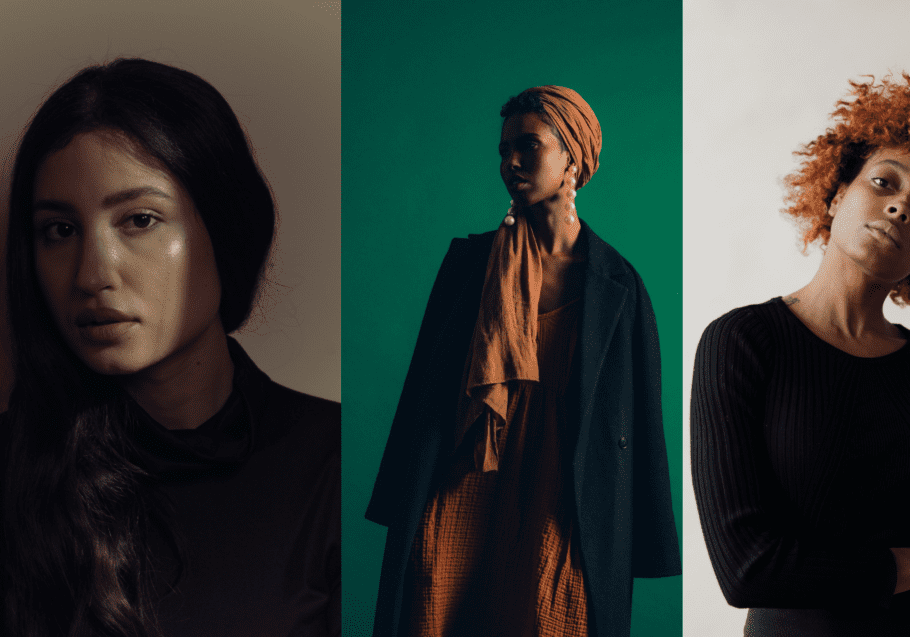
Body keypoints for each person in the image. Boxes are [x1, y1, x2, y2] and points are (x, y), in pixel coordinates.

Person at [0, 58, 340, 636]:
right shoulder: (13, 466)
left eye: (139, 220)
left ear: (224, 230)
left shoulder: (334, 462)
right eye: (59, 230)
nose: (91, 275)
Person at [691, 65, 910, 637]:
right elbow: (747, 569)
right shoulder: (743, 343)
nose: (900, 209)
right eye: (884, 184)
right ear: (837, 195)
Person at [366, 86, 681, 636]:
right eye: (503, 149)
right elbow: (421, 397)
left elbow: (640, 425)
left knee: (552, 616)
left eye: (529, 146)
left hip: (563, 492)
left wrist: (643, 541)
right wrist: (400, 500)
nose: (510, 161)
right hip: (464, 477)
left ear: (573, 158)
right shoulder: (468, 264)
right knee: (432, 611)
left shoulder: (618, 285)